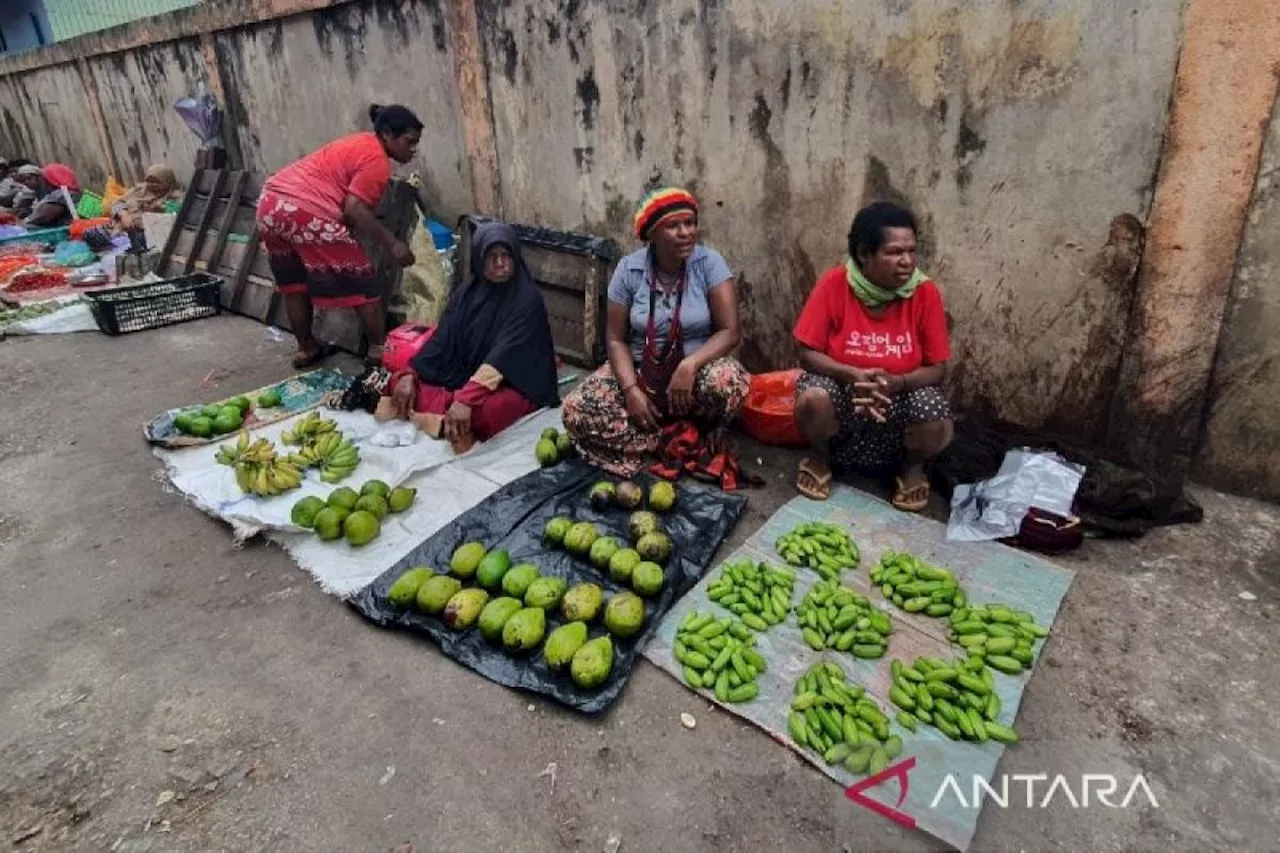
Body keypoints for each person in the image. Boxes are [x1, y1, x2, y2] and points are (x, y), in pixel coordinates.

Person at [562, 187, 750, 476]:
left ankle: (697, 429)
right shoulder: (629, 270)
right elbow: (615, 339)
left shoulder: (709, 264)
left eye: (690, 223)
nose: (686, 232)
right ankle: (665, 440)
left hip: (693, 377)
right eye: (673, 226)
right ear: (651, 233)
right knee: (574, 411)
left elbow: (730, 331)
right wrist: (631, 391)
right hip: (642, 372)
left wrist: (690, 365)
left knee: (728, 380)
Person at [792, 201, 953, 511]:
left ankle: (911, 468)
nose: (907, 261)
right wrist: (851, 376)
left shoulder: (925, 293)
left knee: (934, 413)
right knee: (813, 397)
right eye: (894, 253)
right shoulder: (834, 284)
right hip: (844, 398)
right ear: (865, 254)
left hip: (895, 402)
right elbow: (806, 352)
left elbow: (937, 368)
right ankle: (821, 457)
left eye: (911, 251)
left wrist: (897, 382)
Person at [257, 104, 422, 368]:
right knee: (363, 283)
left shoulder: (357, 142)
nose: (413, 150)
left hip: (270, 206)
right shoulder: (377, 161)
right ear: (389, 134)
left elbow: (344, 204)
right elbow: (354, 208)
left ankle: (306, 348)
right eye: (409, 142)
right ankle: (379, 351)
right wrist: (393, 243)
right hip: (306, 212)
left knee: (294, 286)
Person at [378, 221, 559, 449]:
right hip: (468, 375)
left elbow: (501, 359)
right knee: (397, 382)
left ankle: (433, 413)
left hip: (514, 380)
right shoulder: (467, 294)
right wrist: (410, 374)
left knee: (485, 414)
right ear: (478, 260)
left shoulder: (526, 300)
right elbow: (441, 340)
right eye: (492, 256)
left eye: (506, 256)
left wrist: (465, 400)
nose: (501, 264)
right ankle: (441, 414)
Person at [24, 163, 80, 227]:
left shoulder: (62, 194)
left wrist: (23, 223)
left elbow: (43, 216)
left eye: (44, 178)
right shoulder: (78, 194)